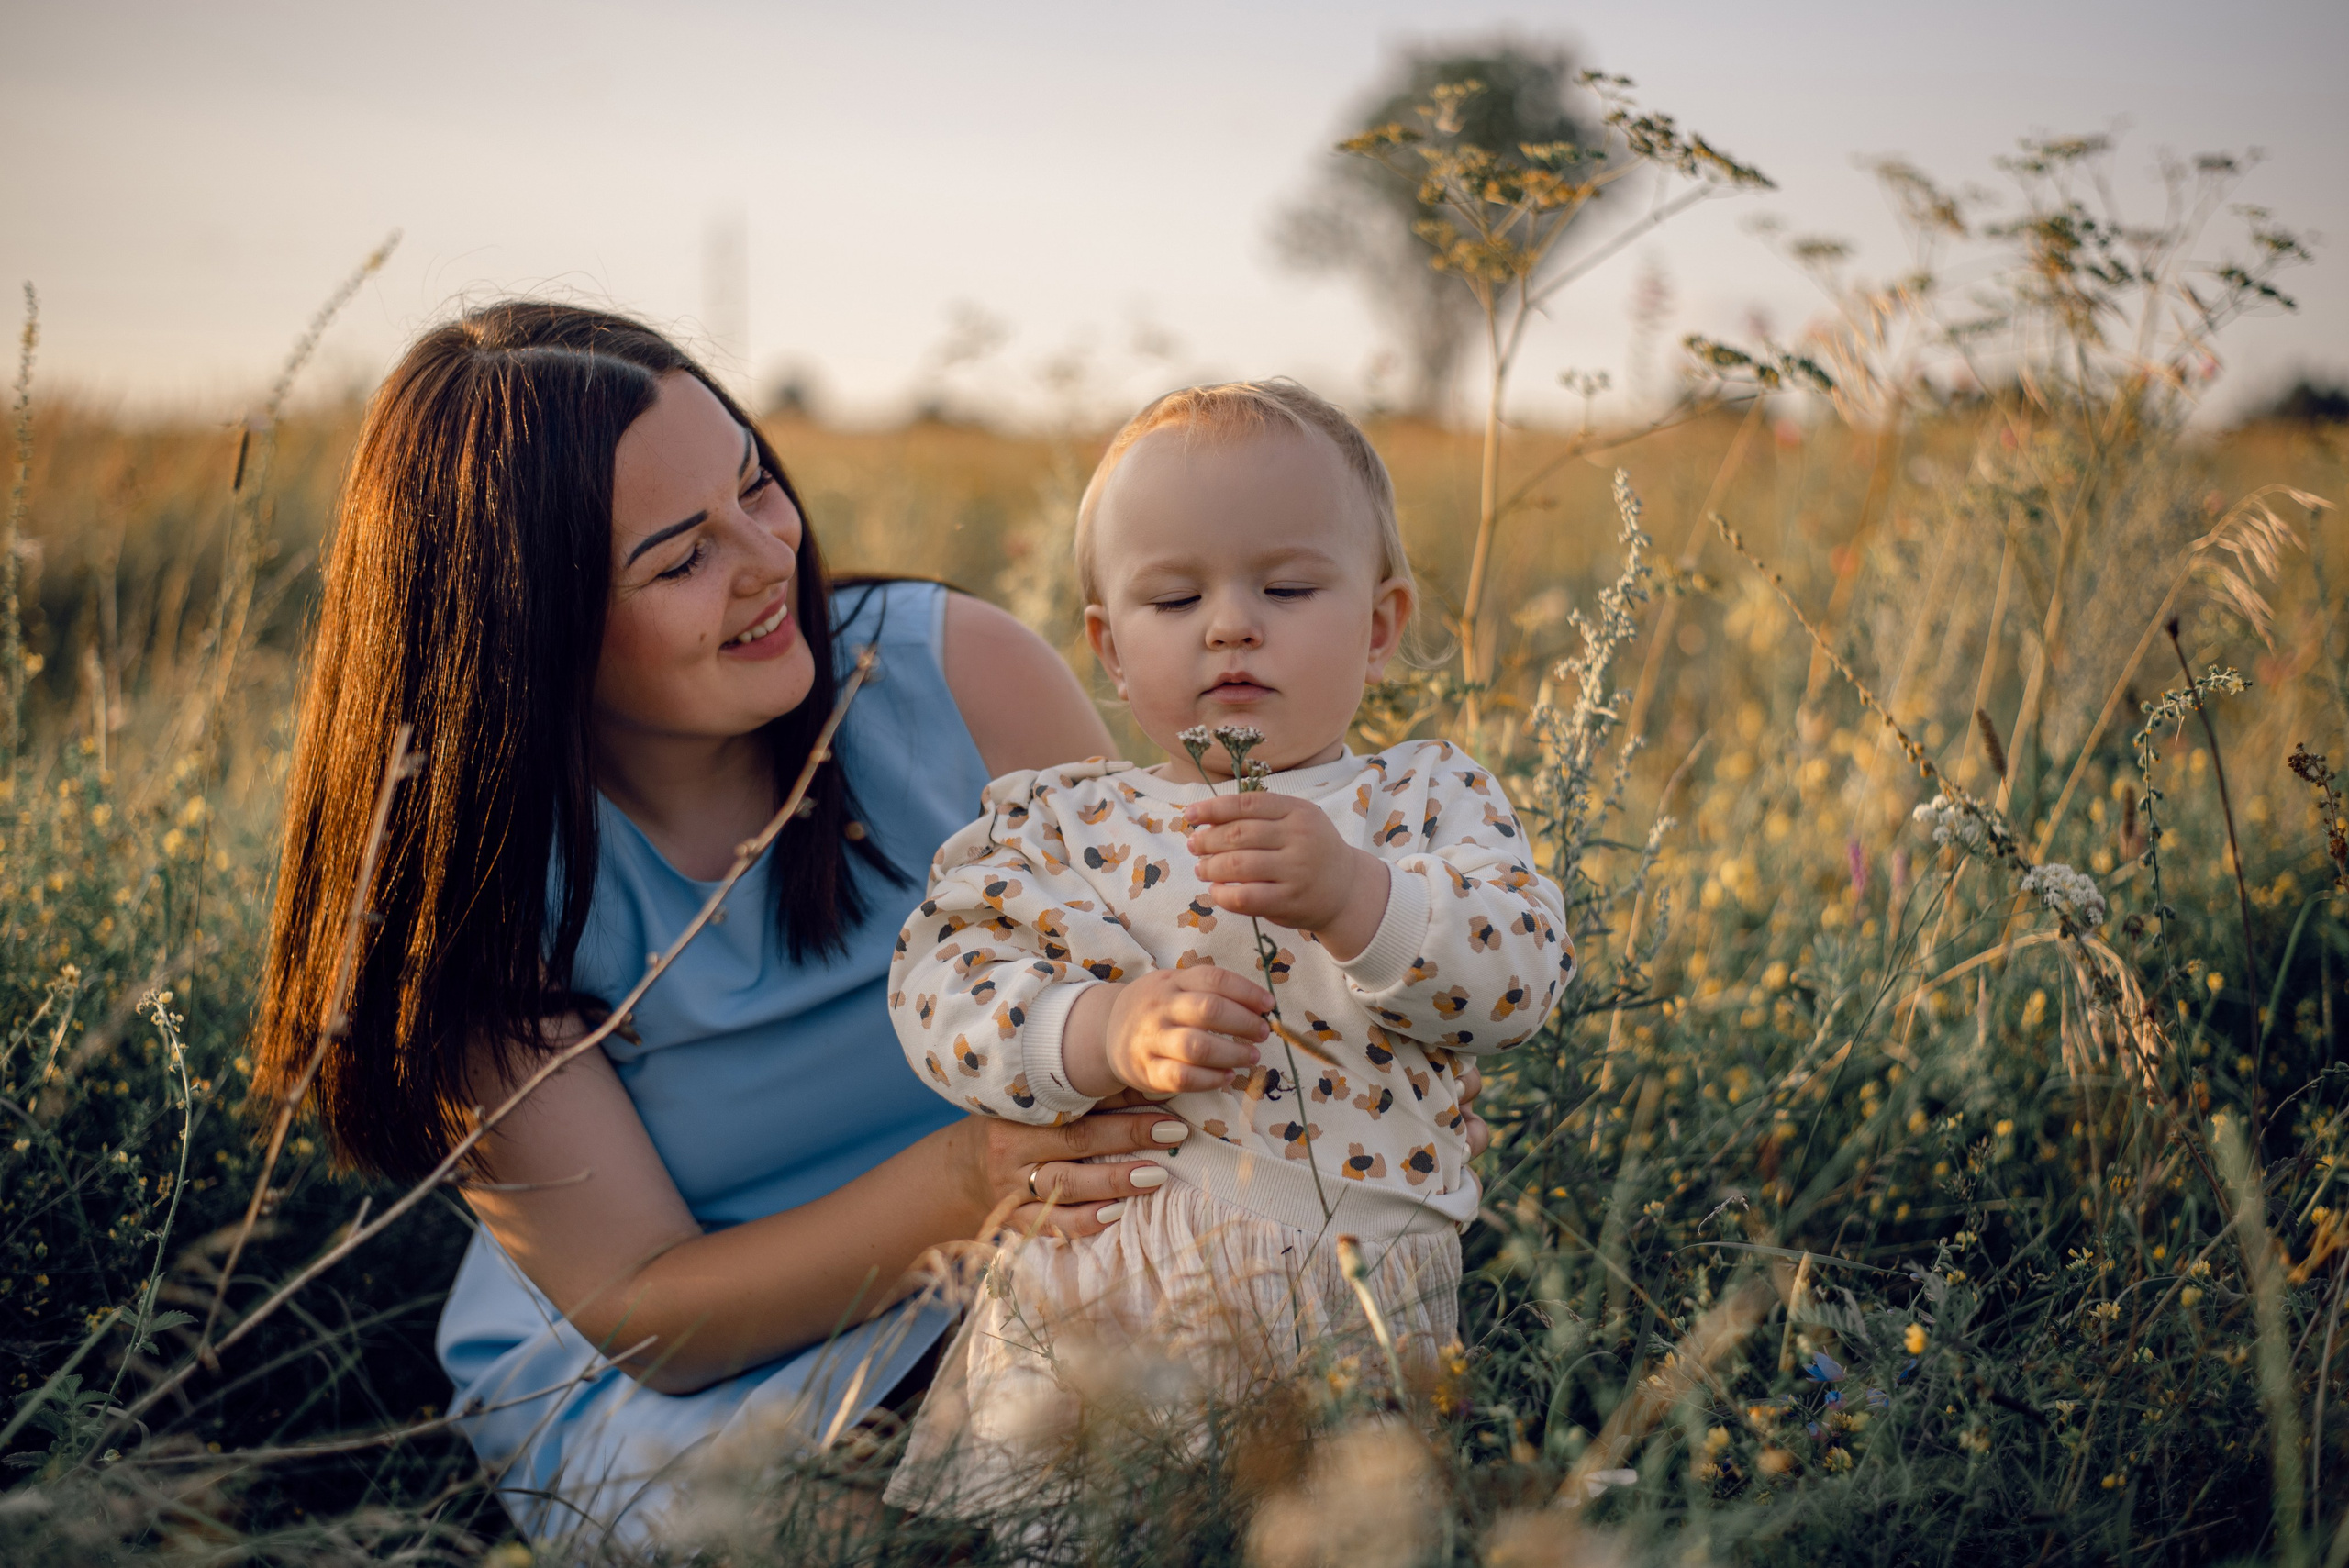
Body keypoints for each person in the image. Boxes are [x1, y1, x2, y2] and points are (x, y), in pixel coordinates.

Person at [246, 303, 1430, 1550]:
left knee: (1225, 1439)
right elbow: (655, 1314)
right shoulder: (469, 893)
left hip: (1032, 1275)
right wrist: (975, 1178)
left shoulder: (954, 676)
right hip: (693, 1383)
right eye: (681, 557)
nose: (767, 555)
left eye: (756, 484)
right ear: (533, 636)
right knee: (901, 1515)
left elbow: (1180, 993)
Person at [882, 380, 1570, 1516]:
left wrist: (1359, 895)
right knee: (1060, 1532)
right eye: (1172, 596)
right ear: (1107, 646)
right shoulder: (1056, 820)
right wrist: (1098, 1029)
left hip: (1344, 1290)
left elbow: (1521, 973)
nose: (1229, 623)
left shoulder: (1419, 801)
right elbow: (941, 988)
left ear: (1381, 623)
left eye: (1286, 585)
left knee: (1328, 1528)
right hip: (1091, 1291)